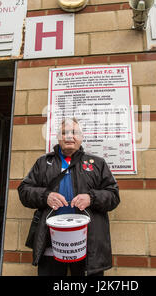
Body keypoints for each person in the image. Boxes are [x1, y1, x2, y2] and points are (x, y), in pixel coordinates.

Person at [18, 117, 120, 276]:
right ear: (58, 137)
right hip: (50, 243)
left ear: (81, 137)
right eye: (64, 132)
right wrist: (45, 196)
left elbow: (113, 196)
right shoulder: (43, 162)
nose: (69, 137)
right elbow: (24, 191)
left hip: (88, 244)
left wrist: (91, 198)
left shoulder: (98, 163)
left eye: (75, 132)